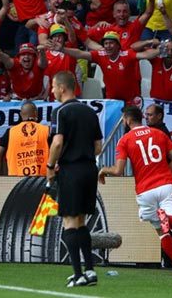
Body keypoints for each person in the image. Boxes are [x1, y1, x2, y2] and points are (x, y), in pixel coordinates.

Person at [99, 106, 172, 276]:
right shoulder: (159, 134)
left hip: (144, 191)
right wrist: (163, 174)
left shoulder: (125, 140)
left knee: (162, 233)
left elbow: (118, 171)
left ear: (127, 120)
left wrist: (104, 170)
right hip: (164, 184)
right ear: (141, 118)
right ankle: (167, 218)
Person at [47, 71, 103, 288]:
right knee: (81, 220)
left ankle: (77, 274)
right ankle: (90, 270)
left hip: (71, 170)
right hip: (90, 169)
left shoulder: (61, 112)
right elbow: (98, 146)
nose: (52, 90)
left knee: (69, 220)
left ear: (62, 88)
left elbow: (57, 143)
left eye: (53, 86)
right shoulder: (90, 112)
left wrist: (51, 166)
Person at [0, 102, 50, 176]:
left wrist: (1, 178)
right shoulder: (46, 130)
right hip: (41, 180)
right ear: (36, 113)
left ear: (21, 114)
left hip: (15, 181)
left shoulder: (11, 132)